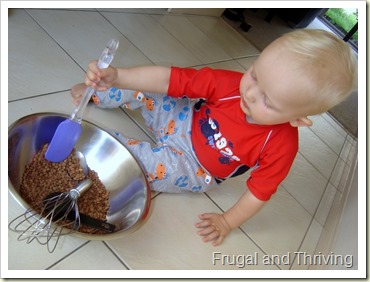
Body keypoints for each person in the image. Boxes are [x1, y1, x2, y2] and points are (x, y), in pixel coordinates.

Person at [71, 29, 357, 246]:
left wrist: (227, 221)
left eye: (268, 101)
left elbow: (259, 192)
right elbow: (171, 79)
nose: (249, 93)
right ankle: (96, 93)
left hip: (194, 167)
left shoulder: (281, 145)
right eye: (255, 74)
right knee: (152, 90)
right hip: (183, 120)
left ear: (297, 119)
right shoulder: (231, 84)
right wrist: (118, 76)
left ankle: (90, 145)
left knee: (141, 165)